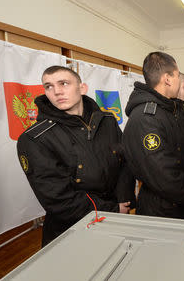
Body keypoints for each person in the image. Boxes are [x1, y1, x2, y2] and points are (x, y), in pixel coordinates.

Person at [17, 66, 134, 247]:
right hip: (72, 231)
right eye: (48, 86)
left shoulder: (107, 120)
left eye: (64, 83)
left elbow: (125, 162)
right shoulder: (35, 138)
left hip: (117, 221)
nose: (56, 91)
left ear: (82, 88)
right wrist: (111, 209)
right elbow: (58, 199)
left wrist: (124, 202)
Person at [123, 52, 184, 219]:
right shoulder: (146, 118)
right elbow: (164, 176)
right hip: (162, 210)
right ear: (167, 78)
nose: (178, 80)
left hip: (181, 204)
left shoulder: (169, 109)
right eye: (176, 75)